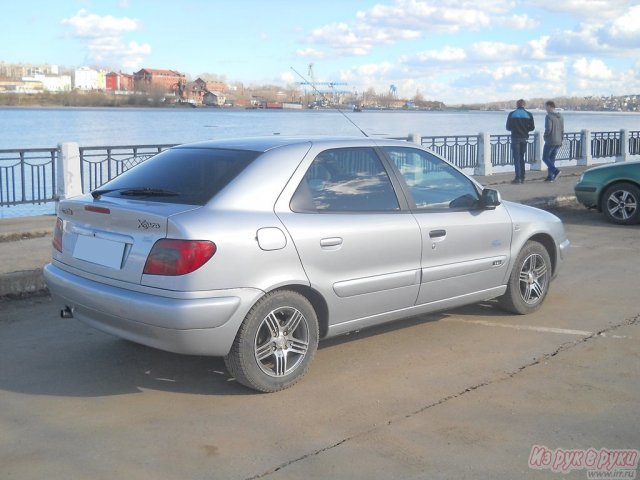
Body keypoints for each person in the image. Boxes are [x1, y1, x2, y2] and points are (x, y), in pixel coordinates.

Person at [506, 99, 535, 184]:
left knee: (517, 158)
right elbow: (532, 127)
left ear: (517, 105)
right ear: (524, 105)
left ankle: (518, 178)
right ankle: (522, 177)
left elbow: (508, 127)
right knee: (522, 158)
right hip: (524, 138)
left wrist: (515, 129)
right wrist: (525, 130)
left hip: (515, 138)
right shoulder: (529, 114)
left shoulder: (512, 114)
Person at [543, 100, 564, 182]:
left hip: (550, 140)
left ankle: (555, 171)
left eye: (546, 106)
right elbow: (562, 130)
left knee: (545, 158)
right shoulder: (561, 116)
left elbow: (548, 129)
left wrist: (545, 136)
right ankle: (550, 176)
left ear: (549, 106)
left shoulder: (548, 116)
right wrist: (561, 139)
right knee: (551, 159)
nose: (545, 108)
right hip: (558, 141)